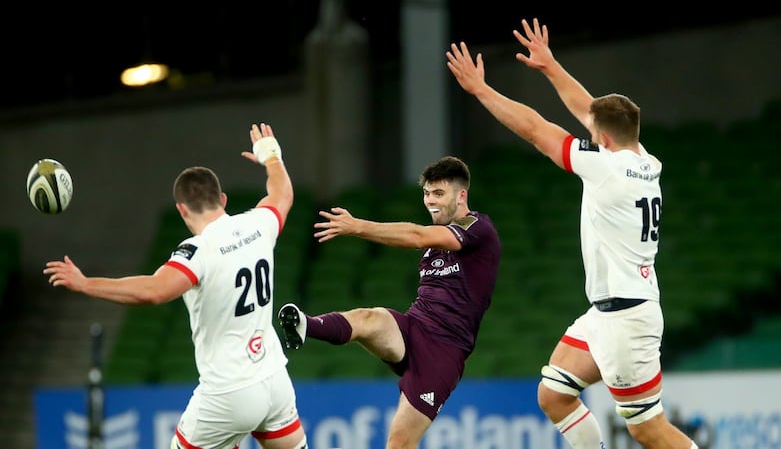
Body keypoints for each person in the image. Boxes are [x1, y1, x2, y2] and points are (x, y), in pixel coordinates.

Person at [446, 17, 698, 449]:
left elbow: (535, 129)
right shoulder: (643, 159)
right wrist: (550, 66)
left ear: (601, 138)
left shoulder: (604, 168)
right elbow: (589, 110)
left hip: (625, 318)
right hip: (609, 312)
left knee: (645, 428)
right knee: (554, 394)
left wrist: (481, 90)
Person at [43, 123, 310, 449]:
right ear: (223, 199)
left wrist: (86, 284)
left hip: (229, 391)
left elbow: (155, 291)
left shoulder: (199, 251)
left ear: (181, 209)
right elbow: (283, 193)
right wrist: (271, 156)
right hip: (274, 377)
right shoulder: (258, 223)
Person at [278, 155, 501, 449]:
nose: (430, 201)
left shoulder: (477, 227)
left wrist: (357, 226)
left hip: (443, 351)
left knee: (398, 444)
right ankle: (306, 325)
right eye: (426, 193)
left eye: (439, 193)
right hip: (413, 330)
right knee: (370, 318)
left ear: (461, 196)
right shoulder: (433, 248)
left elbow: (417, 235)